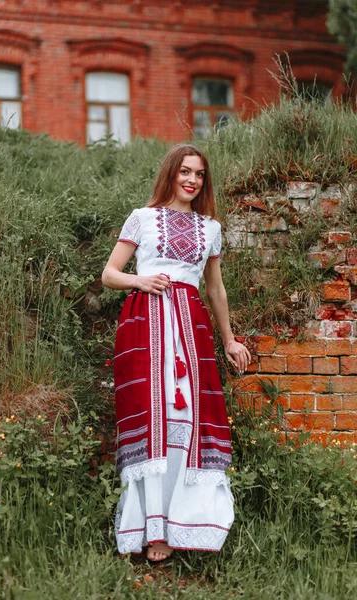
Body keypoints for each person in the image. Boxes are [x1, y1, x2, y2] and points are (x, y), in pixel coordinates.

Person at [101, 143, 251, 561]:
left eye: (199, 174)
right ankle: (152, 530)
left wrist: (229, 339)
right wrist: (140, 281)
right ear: (170, 173)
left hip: (190, 329)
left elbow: (216, 288)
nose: (191, 180)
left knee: (185, 416)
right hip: (145, 325)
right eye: (185, 171)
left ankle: (186, 522)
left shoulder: (211, 227)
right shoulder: (142, 218)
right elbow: (109, 274)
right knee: (154, 417)